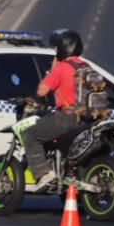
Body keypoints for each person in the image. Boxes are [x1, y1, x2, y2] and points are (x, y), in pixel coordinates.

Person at [22, 29, 86, 191]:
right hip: (88, 118)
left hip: (69, 117)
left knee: (30, 134)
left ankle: (44, 174)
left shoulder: (62, 68)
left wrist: (53, 69)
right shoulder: (86, 66)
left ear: (63, 49)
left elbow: (42, 91)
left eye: (57, 48)